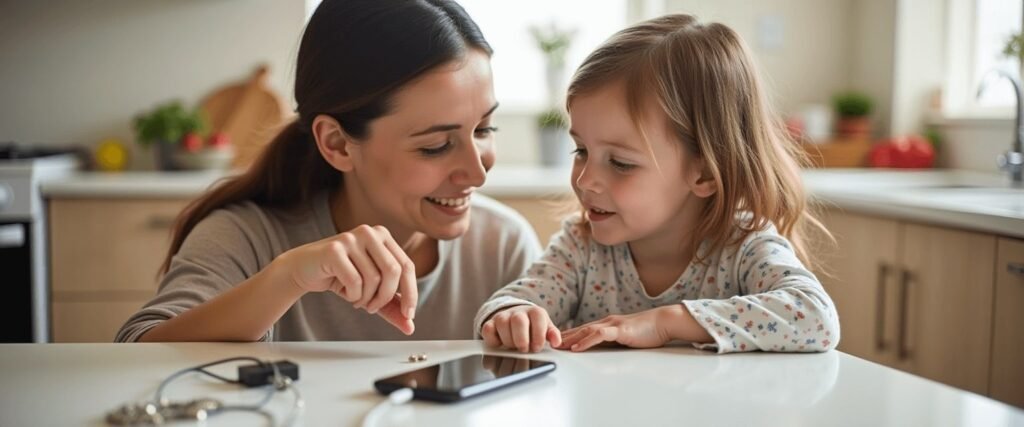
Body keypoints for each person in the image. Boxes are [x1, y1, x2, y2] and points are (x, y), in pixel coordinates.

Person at [115, 0, 542, 343]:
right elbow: (138, 353)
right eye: (435, 146)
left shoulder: (502, 245)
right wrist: (289, 277)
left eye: (484, 128)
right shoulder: (246, 236)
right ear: (337, 144)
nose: (477, 172)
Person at [474, 14, 840, 354]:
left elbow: (815, 318)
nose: (585, 180)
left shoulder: (744, 245)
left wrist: (665, 322)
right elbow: (506, 304)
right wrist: (513, 315)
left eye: (620, 163)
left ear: (705, 173)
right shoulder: (581, 249)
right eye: (581, 150)